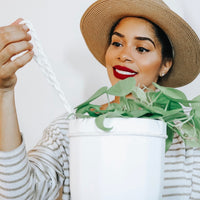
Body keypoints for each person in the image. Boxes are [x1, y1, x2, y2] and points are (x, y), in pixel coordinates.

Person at [0, 0, 200, 199]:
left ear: (165, 64)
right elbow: (20, 194)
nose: (124, 55)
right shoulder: (71, 128)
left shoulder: (189, 136)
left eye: (141, 48)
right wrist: (4, 92)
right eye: (117, 43)